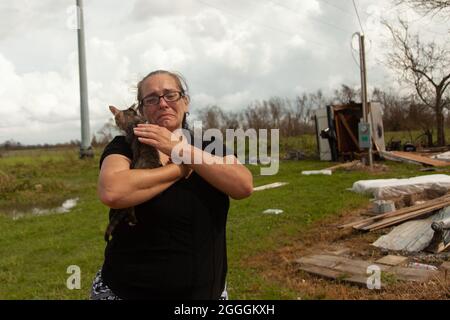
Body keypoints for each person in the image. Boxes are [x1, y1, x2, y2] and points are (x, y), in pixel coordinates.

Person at [90, 70, 253, 300]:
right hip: (128, 292)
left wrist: (179, 149)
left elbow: (242, 185)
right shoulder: (127, 143)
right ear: (143, 109)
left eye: (170, 95)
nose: (162, 103)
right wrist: (180, 169)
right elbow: (112, 191)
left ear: (185, 102)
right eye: (152, 99)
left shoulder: (209, 144)